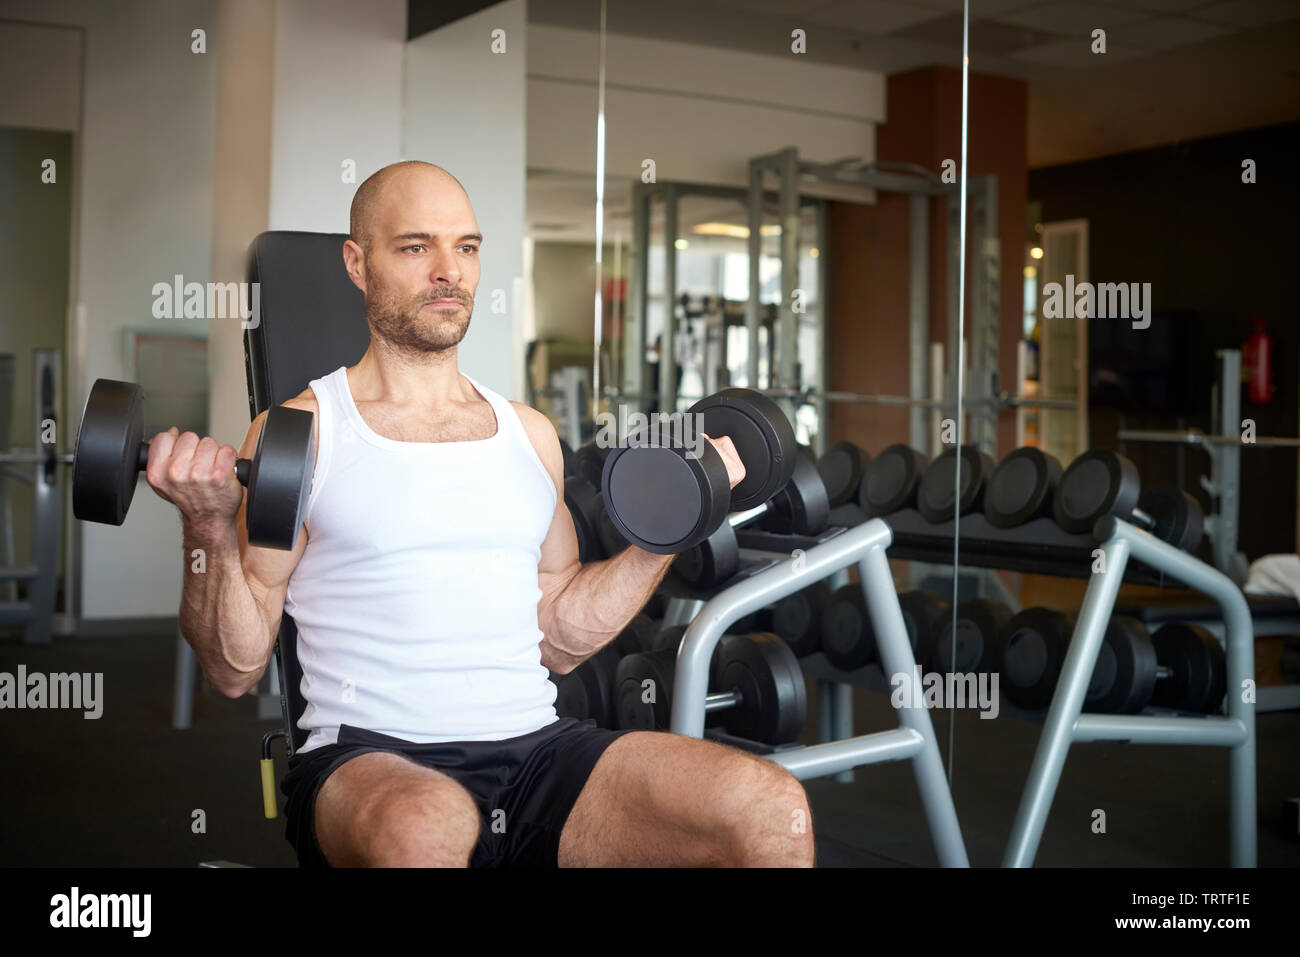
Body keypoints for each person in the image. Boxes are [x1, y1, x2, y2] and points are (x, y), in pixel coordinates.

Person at [145, 161, 814, 867]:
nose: (448, 271)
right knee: (428, 828)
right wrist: (209, 528)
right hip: (370, 759)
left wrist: (675, 524)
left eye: (465, 247)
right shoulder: (300, 432)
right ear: (357, 261)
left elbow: (558, 634)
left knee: (772, 809)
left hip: (538, 753)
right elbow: (235, 665)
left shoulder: (528, 434)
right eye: (415, 246)